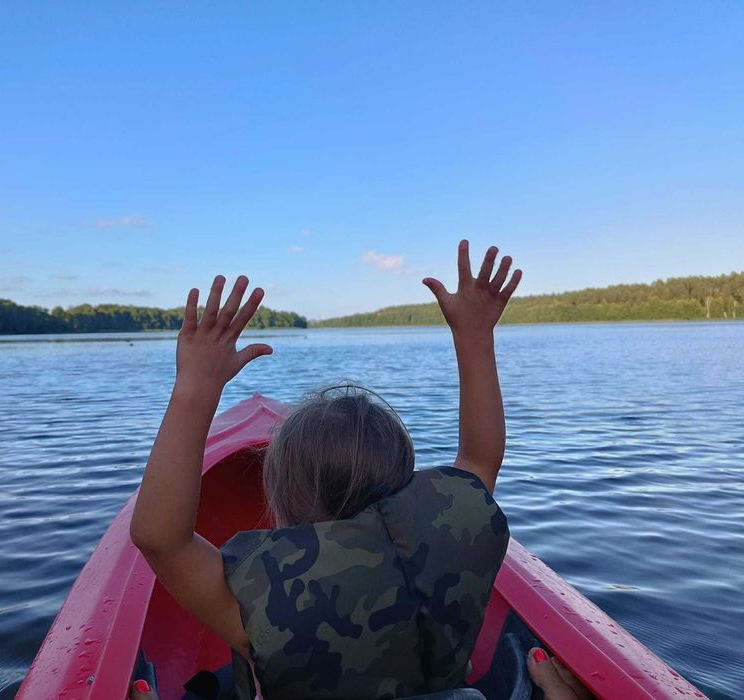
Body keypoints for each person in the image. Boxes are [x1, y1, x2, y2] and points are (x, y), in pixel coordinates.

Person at [130, 241, 524, 699]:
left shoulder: (264, 604)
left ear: (283, 498)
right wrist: (475, 335)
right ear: (406, 479)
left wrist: (194, 388)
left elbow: (160, 538)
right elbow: (480, 457)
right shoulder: (456, 534)